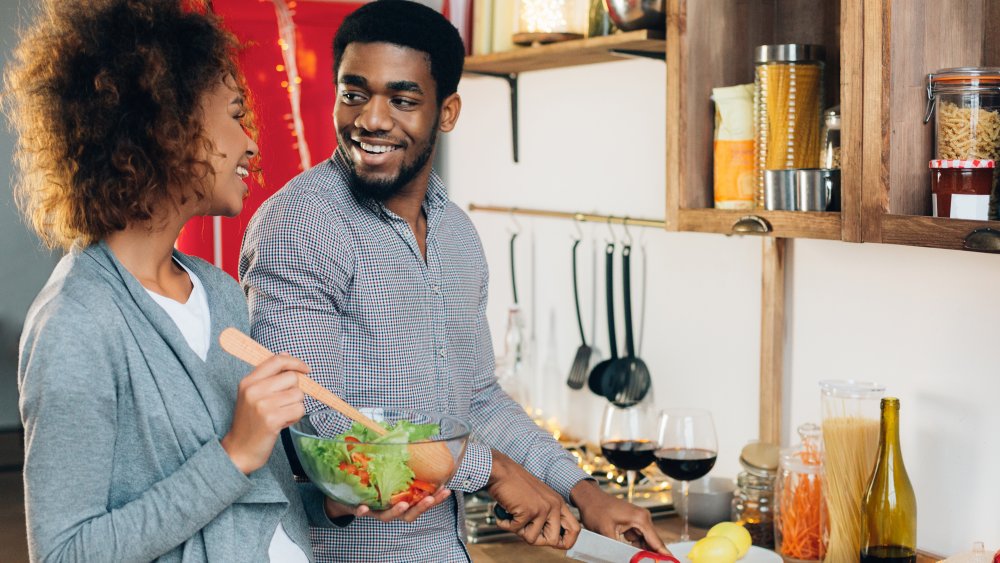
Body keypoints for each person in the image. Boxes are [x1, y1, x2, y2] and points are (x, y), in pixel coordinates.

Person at [239, 1, 670, 561]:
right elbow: (321, 429)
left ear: (447, 112)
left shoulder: (456, 232)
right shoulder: (298, 226)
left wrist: (583, 492)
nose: (371, 119)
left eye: (402, 99)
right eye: (354, 93)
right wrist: (491, 469)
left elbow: (479, 399)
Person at [5, 1, 357, 560]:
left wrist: (332, 500)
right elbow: (64, 552)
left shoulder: (219, 293)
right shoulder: (75, 325)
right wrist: (234, 452)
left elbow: (254, 502)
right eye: (236, 115)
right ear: (167, 125)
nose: (252, 144)